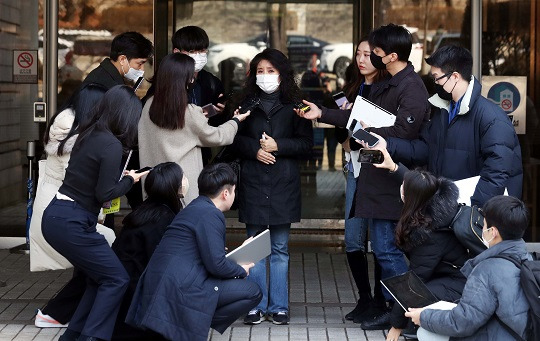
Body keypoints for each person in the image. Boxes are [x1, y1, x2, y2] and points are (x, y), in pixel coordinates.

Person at [296, 23, 431, 327]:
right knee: (383, 248)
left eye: (377, 52)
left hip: (391, 178)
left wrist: (367, 133)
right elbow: (357, 118)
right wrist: (324, 114)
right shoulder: (390, 83)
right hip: (376, 177)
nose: (371, 56)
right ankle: (403, 313)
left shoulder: (410, 87)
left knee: (387, 250)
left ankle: (413, 314)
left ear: (392, 55)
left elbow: (403, 133)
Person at [41, 85, 147, 341]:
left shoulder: (89, 133)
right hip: (72, 221)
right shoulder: (110, 144)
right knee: (116, 279)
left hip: (60, 216)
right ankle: (92, 336)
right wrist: (131, 180)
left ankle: (75, 335)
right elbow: (106, 193)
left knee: (97, 278)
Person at [126, 163, 262, 341]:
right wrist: (240, 270)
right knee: (252, 291)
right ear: (226, 193)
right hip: (180, 287)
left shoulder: (195, 207)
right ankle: (194, 320)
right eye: (234, 191)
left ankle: (194, 320)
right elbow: (217, 265)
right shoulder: (212, 214)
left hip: (163, 284)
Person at [382, 44, 523, 206]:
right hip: (447, 209)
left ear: (455, 76)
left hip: (470, 215)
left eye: (437, 77)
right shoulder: (444, 111)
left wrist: (472, 213)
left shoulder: (491, 117)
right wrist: (387, 144)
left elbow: (497, 174)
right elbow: (425, 148)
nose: (435, 83)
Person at [232, 48, 313, 325]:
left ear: (282, 74)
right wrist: (254, 149)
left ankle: (278, 306)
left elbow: (306, 145)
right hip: (254, 181)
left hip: (283, 183)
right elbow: (232, 139)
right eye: (260, 71)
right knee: (254, 248)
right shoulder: (244, 103)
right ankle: (255, 305)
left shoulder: (296, 105)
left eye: (271, 71)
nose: (265, 77)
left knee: (279, 249)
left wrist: (280, 145)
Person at [368, 148, 469, 339]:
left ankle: (425, 328)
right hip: (446, 274)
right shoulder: (432, 203)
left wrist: (396, 326)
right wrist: (394, 167)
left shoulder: (430, 234)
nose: (400, 186)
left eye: (404, 186)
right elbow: (417, 183)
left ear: (408, 196)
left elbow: (415, 282)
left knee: (417, 297)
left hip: (460, 284)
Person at [405, 195, 530, 341]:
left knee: (425, 333)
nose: (481, 229)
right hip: (518, 334)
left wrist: (423, 317)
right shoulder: (527, 258)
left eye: (483, 225)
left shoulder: (486, 269)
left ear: (493, 232)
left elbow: (463, 322)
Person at [138, 53, 249, 205]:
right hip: (182, 187)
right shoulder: (187, 112)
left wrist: (199, 116)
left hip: (153, 185)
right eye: (190, 76)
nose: (193, 80)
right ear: (182, 79)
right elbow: (218, 136)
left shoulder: (149, 105)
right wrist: (235, 121)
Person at [30, 84, 109, 273]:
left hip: (65, 206)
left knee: (89, 269)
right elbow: (76, 175)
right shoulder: (69, 126)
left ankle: (72, 303)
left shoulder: (76, 122)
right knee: (105, 253)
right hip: (60, 206)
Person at [337, 38, 387, 324]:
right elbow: (340, 137)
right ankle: (365, 298)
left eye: (368, 54)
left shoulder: (387, 90)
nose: (362, 58)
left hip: (379, 171)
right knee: (353, 239)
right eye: (358, 53)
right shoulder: (352, 90)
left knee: (380, 240)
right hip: (355, 169)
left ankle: (381, 300)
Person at [111, 162, 186, 341]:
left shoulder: (148, 210)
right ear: (174, 186)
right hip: (135, 306)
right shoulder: (163, 217)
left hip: (123, 295)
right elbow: (161, 265)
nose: (185, 180)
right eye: (182, 177)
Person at [82, 31, 153, 89]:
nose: (142, 69)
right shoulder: (103, 86)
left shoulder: (108, 78)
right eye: (139, 64)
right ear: (122, 59)